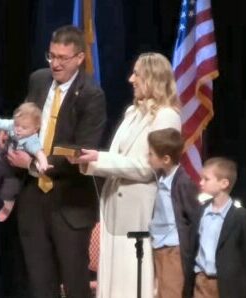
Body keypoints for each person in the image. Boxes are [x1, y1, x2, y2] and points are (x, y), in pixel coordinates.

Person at [70, 52, 182, 297]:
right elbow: (114, 156)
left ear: (152, 78)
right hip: (113, 209)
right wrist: (89, 161)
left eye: (137, 74)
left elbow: (148, 167)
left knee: (132, 280)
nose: (131, 79)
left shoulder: (166, 115)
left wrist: (98, 160)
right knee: (112, 281)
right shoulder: (133, 113)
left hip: (138, 212)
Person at [6, 25, 107, 298]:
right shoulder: (38, 80)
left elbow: (79, 152)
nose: (56, 64)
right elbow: (26, 122)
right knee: (40, 283)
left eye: (63, 58)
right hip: (33, 202)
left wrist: (33, 164)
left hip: (70, 204)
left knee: (75, 283)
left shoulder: (91, 95)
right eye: (52, 56)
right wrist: (10, 138)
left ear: (79, 58)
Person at [184, 157, 246, 298]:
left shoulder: (241, 217)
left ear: (224, 183)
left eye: (206, 179)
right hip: (201, 281)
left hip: (228, 287)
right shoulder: (200, 212)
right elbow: (193, 248)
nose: (201, 182)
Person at [0, 102, 49, 222]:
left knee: (9, 191)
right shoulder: (12, 125)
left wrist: (43, 163)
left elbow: (39, 152)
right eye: (17, 125)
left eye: (24, 127)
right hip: (2, 160)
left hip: (15, 169)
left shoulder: (32, 140)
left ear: (35, 129)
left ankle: (7, 207)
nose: (18, 129)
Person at [147, 128, 200, 298]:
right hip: (158, 246)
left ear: (166, 159)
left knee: (172, 292)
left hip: (173, 249)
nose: (147, 158)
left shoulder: (183, 183)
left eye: (151, 154)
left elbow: (194, 218)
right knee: (160, 293)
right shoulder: (159, 177)